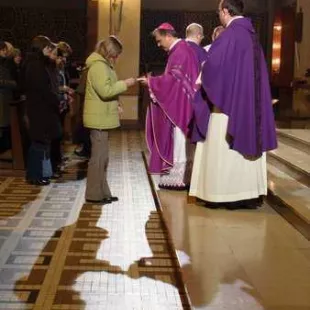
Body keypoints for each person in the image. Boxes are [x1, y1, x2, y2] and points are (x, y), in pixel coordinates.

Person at [190, 0, 277, 210]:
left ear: (226, 11)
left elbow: (214, 68)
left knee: (224, 149)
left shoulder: (229, 35)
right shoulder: (252, 35)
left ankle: (223, 195)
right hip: (249, 105)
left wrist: (203, 68)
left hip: (228, 110)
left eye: (219, 11)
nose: (219, 15)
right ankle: (248, 194)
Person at [139, 23, 200, 190]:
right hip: (181, 102)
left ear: (168, 35)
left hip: (181, 106)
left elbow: (174, 80)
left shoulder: (180, 51)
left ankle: (178, 179)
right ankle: (179, 178)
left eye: (159, 41)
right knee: (180, 142)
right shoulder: (180, 50)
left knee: (179, 141)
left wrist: (150, 81)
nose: (158, 45)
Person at [83, 36, 136, 204]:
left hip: (102, 116)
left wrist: (117, 104)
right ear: (110, 52)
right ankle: (93, 194)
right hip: (98, 118)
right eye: (116, 54)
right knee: (97, 159)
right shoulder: (98, 66)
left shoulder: (104, 65)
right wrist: (125, 83)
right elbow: (105, 91)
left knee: (103, 158)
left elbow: (109, 91)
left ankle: (103, 192)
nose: (117, 58)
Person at [23, 35, 61, 185]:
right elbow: (43, 89)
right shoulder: (35, 65)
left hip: (39, 108)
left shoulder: (36, 63)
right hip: (39, 109)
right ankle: (35, 176)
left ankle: (41, 174)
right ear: (43, 48)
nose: (50, 52)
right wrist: (55, 99)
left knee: (41, 142)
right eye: (49, 48)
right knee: (38, 143)